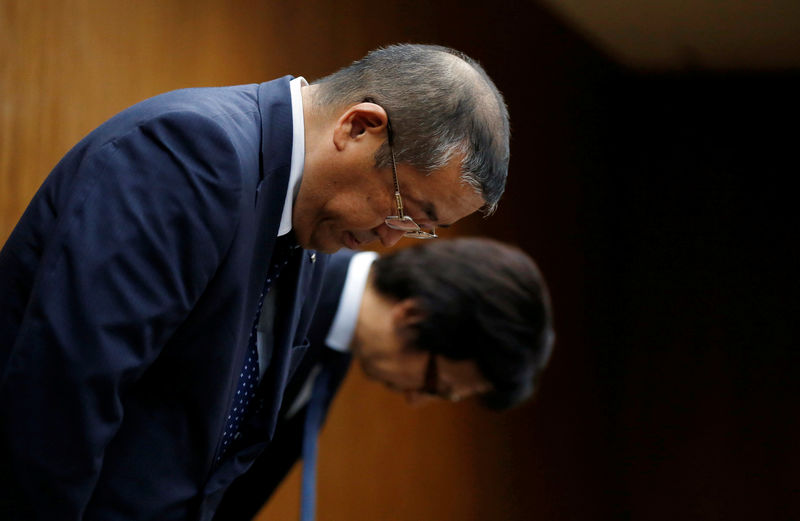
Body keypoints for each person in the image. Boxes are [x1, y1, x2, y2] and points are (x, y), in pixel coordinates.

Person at [0, 44, 510, 520]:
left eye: (418, 230)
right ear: (358, 127)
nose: (389, 239)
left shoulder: (307, 229)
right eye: (406, 210)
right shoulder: (192, 155)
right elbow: (60, 402)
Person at [213, 237, 555, 520]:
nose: (415, 399)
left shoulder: (333, 357)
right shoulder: (281, 275)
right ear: (413, 316)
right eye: (433, 384)